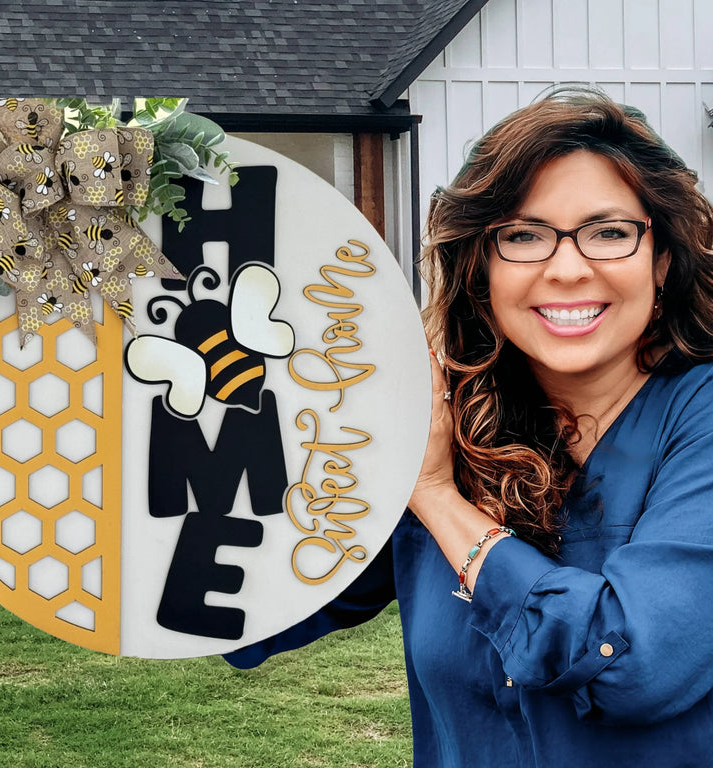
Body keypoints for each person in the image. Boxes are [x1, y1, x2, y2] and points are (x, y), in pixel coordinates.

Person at [225, 87, 713, 767]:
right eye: (522, 235)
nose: (567, 268)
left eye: (609, 232)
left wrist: (433, 495)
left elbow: (629, 665)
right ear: (481, 268)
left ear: (660, 261)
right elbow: (251, 606)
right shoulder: (450, 422)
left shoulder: (699, 422)